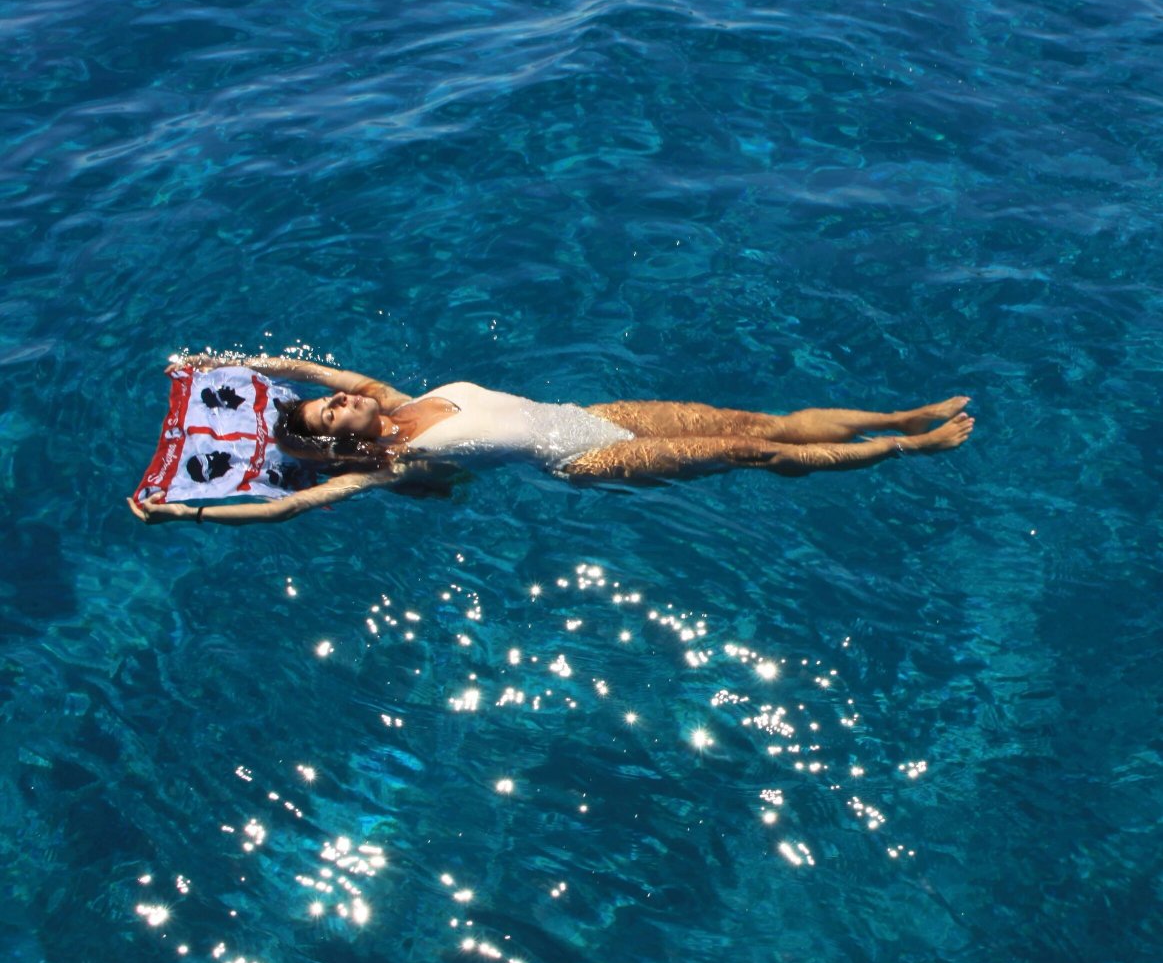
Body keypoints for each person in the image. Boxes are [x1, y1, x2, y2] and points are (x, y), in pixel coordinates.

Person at [128, 354, 974, 526]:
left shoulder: (396, 398)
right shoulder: (390, 464)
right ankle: (909, 449)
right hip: (585, 457)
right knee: (759, 454)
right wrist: (186, 514)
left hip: (591, 412)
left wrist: (231, 365)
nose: (341, 403)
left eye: (335, 403)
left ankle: (898, 416)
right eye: (330, 416)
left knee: (758, 422)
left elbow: (300, 371)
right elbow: (297, 504)